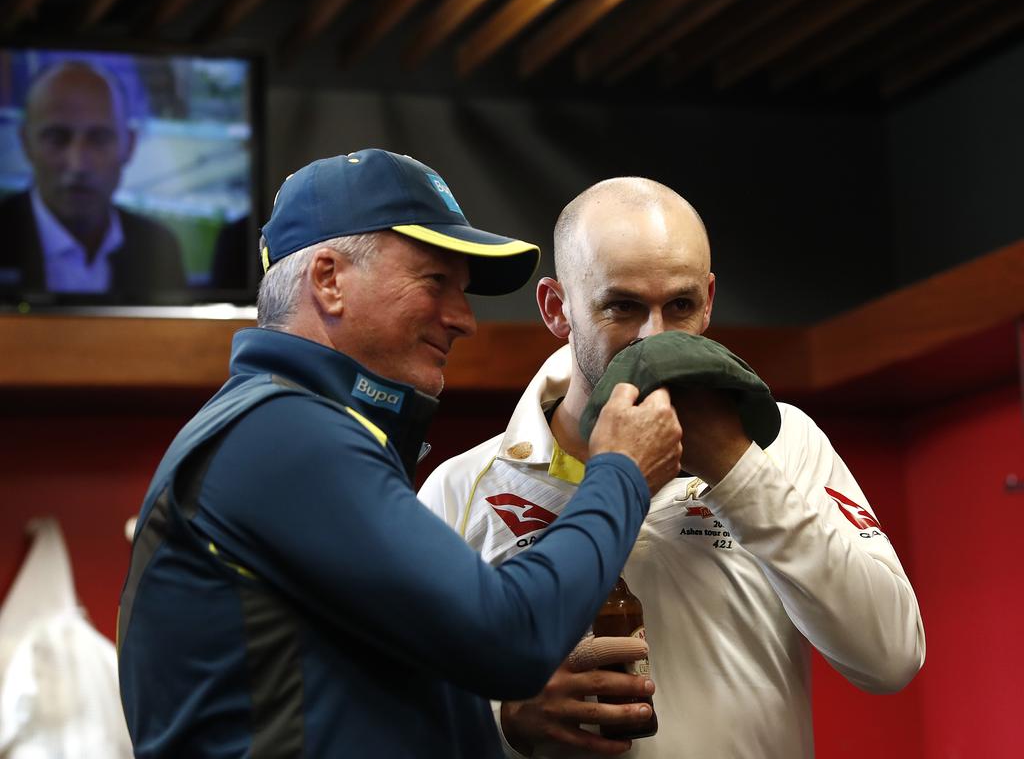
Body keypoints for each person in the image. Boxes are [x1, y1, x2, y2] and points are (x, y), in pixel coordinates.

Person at [116, 150, 685, 758]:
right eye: (435, 282)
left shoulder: (293, 427)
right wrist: (622, 471)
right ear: (328, 279)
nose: (465, 320)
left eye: (463, 292)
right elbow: (511, 636)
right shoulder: (281, 432)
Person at [419, 177, 926, 758]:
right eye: (623, 306)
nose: (652, 339)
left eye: (679, 306)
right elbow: (399, 704)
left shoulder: (785, 443)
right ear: (558, 309)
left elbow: (890, 658)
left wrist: (737, 469)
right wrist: (502, 715)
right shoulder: (463, 487)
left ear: (709, 301)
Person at [0, 60, 184, 296]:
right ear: (26, 143)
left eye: (99, 139)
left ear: (130, 145)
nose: (78, 164)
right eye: (57, 138)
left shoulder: (158, 247)